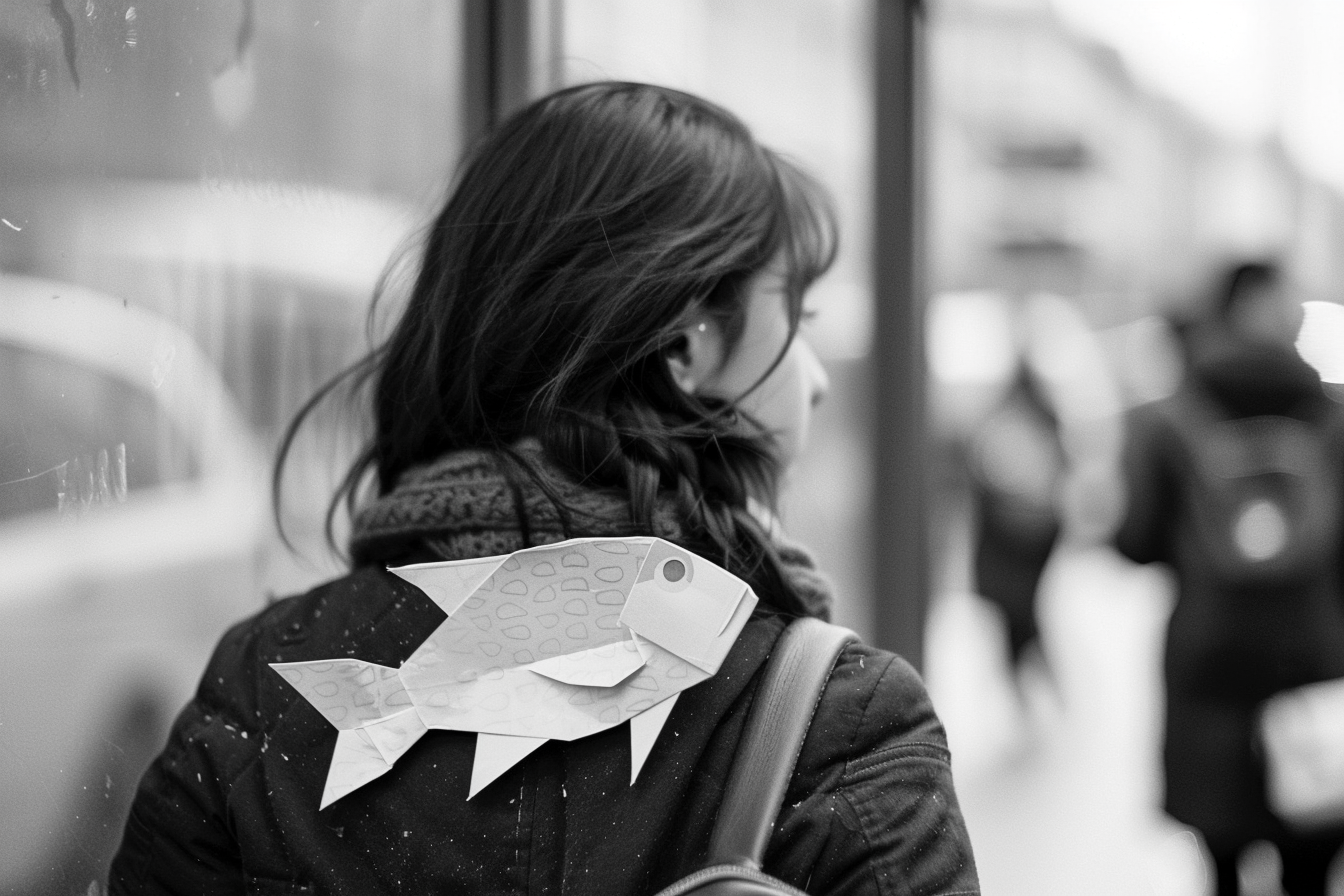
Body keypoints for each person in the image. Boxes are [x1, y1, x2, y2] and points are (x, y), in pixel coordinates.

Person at [107, 82, 980, 895]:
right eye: (799, 321)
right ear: (686, 349)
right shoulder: (839, 723)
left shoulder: (267, 682)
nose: (818, 378)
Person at [1113, 260, 1344, 895]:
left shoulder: (1171, 418)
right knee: (1310, 861)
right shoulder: (1334, 416)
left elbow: (1134, 542)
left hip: (1208, 663)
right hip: (1314, 662)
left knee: (1221, 864)